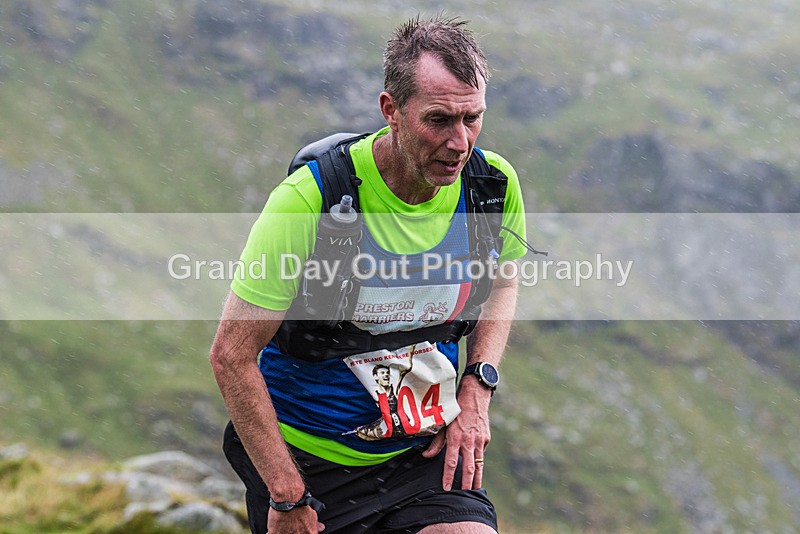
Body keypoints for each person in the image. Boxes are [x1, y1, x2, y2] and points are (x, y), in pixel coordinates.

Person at [211, 15, 527, 534]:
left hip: (419, 457)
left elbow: (504, 283)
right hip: (304, 460)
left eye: (473, 118)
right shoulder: (311, 201)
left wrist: (478, 383)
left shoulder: (490, 187)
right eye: (439, 119)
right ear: (391, 111)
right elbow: (231, 355)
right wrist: (287, 496)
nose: (459, 141)